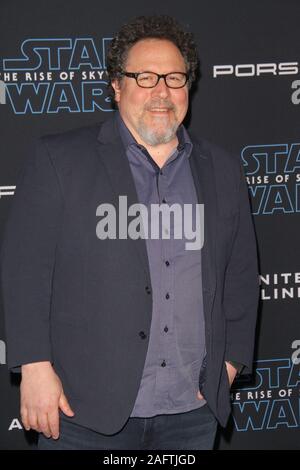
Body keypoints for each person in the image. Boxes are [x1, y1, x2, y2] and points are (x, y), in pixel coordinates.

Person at [0, 15, 259, 450]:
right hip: (82, 410)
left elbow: (239, 276)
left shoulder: (222, 170)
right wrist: (33, 365)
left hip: (191, 412)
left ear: (188, 87)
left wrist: (230, 362)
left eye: (174, 77)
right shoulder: (59, 160)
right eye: (145, 77)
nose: (161, 91)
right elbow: (25, 273)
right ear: (117, 86)